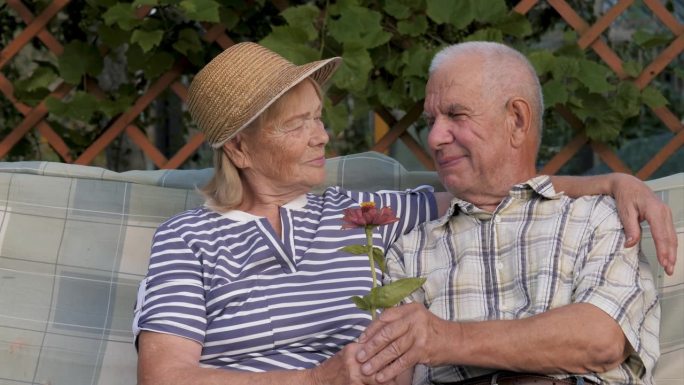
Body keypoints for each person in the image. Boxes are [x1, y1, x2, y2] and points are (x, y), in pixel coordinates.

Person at [133, 42, 675, 385]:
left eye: (318, 118)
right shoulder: (186, 238)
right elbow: (163, 375)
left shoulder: (363, 213)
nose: (322, 136)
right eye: (296, 126)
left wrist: (613, 180)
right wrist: (317, 380)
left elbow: (491, 191)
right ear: (240, 151)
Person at [354, 42, 669, 385]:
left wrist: (442, 338)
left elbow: (601, 339)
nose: (434, 138)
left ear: (516, 120)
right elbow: (390, 372)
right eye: (431, 121)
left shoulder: (598, 217)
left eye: (456, 115)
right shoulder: (410, 251)